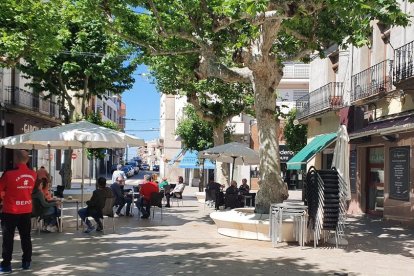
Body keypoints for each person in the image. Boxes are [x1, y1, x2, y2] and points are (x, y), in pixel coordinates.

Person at [0, 150, 36, 272]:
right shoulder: (33, 174)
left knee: (8, 238)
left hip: (10, 210)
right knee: (26, 237)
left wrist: (5, 195)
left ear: (16, 159)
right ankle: (26, 262)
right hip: (26, 210)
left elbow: (0, 189)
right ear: (28, 159)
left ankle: (6, 265)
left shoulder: (9, 174)